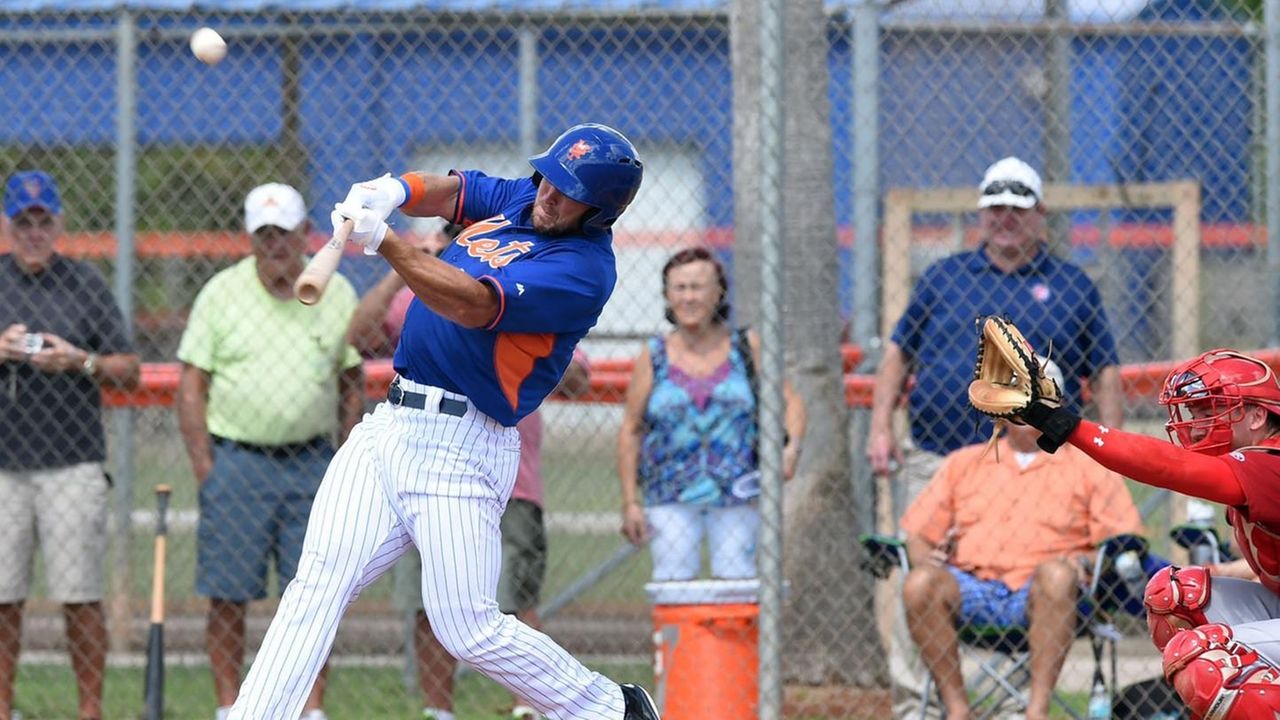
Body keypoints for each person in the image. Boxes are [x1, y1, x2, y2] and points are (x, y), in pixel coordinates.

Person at [226, 122, 661, 720]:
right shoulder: (524, 199)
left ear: (599, 214)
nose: (549, 195)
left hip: (464, 446)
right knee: (316, 586)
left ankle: (612, 709)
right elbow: (454, 192)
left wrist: (388, 243)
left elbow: (472, 302)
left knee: (467, 628)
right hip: (392, 426)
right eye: (550, 179)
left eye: (569, 193)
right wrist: (393, 191)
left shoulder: (582, 268)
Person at [347, 241, 592, 720]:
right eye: (451, 234)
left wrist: (521, 335)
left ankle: (534, 707)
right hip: (420, 469)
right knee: (428, 603)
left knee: (514, 602)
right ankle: (439, 711)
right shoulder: (416, 290)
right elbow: (358, 337)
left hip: (507, 480)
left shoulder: (520, 291)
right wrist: (405, 266)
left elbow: (579, 376)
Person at [1001, 347, 1280, 717]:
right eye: (1194, 412)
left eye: (1211, 410)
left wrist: (1070, 426)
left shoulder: (1269, 462)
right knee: (1175, 595)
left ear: (1258, 415)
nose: (1197, 425)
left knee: (1208, 659)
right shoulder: (1256, 463)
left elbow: (1170, 467)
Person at [175, 182, 364, 720]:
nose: (275, 244)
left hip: (311, 462)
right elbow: (192, 383)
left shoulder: (336, 291)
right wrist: (205, 466)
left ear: (306, 235)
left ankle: (310, 707)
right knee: (228, 594)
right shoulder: (221, 293)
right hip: (237, 460)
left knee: (314, 595)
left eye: (285, 233)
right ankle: (229, 706)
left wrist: (344, 458)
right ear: (251, 238)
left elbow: (352, 383)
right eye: (264, 234)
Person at [868, 156, 1123, 506]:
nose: (1006, 218)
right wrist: (880, 429)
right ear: (981, 213)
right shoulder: (942, 277)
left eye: (1017, 209)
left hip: (1041, 464)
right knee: (928, 557)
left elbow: (1104, 370)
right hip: (938, 459)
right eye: (996, 208)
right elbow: (898, 353)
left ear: (1040, 214)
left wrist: (1112, 452)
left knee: (1039, 558)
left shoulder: (1072, 286)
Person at [899, 357, 1142, 720]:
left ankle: (1036, 711)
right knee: (920, 584)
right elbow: (917, 535)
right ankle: (957, 710)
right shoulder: (963, 463)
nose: (1030, 413)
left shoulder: (1088, 464)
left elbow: (1123, 543)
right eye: (1020, 402)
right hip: (973, 586)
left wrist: (1086, 564)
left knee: (1057, 576)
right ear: (999, 410)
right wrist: (927, 560)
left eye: (1040, 402)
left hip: (1047, 594)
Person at [0, 170, 140, 720]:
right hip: (4, 464)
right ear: (10, 225)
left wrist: (77, 360)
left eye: (43, 221)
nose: (34, 232)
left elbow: (127, 368)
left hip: (72, 462)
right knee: (4, 598)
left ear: (57, 224)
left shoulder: (83, 283)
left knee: (79, 596)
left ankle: (89, 711)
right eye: (23, 222)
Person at [617, 247, 805, 582]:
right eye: (680, 288)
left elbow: (791, 401)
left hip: (738, 492)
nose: (689, 297)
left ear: (719, 293)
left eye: (698, 287)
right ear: (667, 295)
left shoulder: (746, 347)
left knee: (738, 582)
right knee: (672, 582)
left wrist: (791, 448)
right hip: (670, 492)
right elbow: (631, 428)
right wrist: (631, 501)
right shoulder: (655, 355)